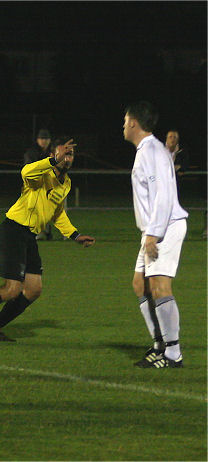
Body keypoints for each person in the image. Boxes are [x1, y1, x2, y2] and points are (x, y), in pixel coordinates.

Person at [0, 136, 96, 344]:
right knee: (12, 289)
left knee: (33, 290)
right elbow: (25, 172)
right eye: (63, 153)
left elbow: (57, 213)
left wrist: (75, 235)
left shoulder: (66, 183)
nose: (67, 158)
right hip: (13, 230)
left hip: (29, 236)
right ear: (52, 155)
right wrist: (53, 161)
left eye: (70, 154)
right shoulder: (41, 174)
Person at [123, 101, 188, 368]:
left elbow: (163, 194)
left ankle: (173, 354)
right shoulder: (149, 150)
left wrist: (153, 234)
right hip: (153, 229)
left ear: (134, 123)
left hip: (164, 227)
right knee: (140, 284)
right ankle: (159, 344)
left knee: (160, 287)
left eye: (125, 121)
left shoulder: (151, 150)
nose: (123, 125)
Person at [24, 128, 54, 240]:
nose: (44, 141)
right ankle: (39, 232)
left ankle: (45, 231)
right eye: (42, 139)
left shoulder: (52, 151)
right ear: (37, 140)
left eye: (46, 139)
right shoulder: (32, 152)